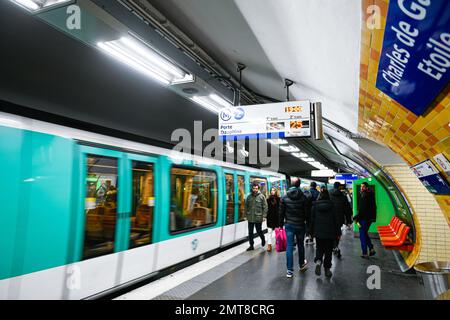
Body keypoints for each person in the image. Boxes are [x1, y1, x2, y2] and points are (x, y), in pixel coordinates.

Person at [279, 178, 308, 278]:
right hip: (300, 224)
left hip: (289, 225)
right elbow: (306, 213)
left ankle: (289, 271)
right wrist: (307, 225)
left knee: (289, 247)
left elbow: (281, 213)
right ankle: (301, 264)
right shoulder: (304, 197)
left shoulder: (284, 197)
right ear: (299, 185)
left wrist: (280, 225)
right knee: (301, 245)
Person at [311, 187, 341, 278]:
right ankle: (327, 270)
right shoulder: (333, 206)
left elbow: (312, 220)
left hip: (319, 233)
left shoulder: (314, 207)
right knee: (328, 251)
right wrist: (338, 233)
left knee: (319, 248)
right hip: (330, 233)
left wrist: (310, 232)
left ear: (319, 196)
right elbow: (336, 221)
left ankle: (319, 261)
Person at [329, 182, 352, 258]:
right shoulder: (343, 196)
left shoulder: (329, 195)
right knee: (338, 233)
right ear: (339, 187)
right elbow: (347, 210)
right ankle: (335, 245)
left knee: (331, 232)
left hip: (330, 218)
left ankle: (334, 246)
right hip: (339, 219)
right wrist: (348, 220)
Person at [354, 182, 377, 258]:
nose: (361, 188)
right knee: (364, 233)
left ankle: (364, 252)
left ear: (367, 187)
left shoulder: (365, 196)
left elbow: (362, 210)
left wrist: (356, 218)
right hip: (369, 219)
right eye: (361, 186)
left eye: (363, 186)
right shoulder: (370, 195)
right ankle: (371, 248)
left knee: (362, 235)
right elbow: (373, 207)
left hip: (363, 219)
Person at [245, 183, 268, 251]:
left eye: (256, 188)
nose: (255, 190)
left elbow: (265, 207)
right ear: (252, 188)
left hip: (258, 217)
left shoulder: (261, 196)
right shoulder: (249, 197)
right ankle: (251, 245)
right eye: (254, 188)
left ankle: (263, 239)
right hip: (250, 217)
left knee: (259, 231)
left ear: (258, 189)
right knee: (250, 232)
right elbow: (246, 206)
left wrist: (264, 216)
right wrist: (246, 215)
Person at [266, 187, 281, 252]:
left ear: (276, 191)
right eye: (271, 190)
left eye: (274, 190)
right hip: (269, 218)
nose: (272, 191)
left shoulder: (279, 199)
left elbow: (281, 209)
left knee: (277, 233)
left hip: (277, 218)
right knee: (269, 232)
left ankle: (277, 244)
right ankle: (269, 245)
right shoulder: (268, 200)